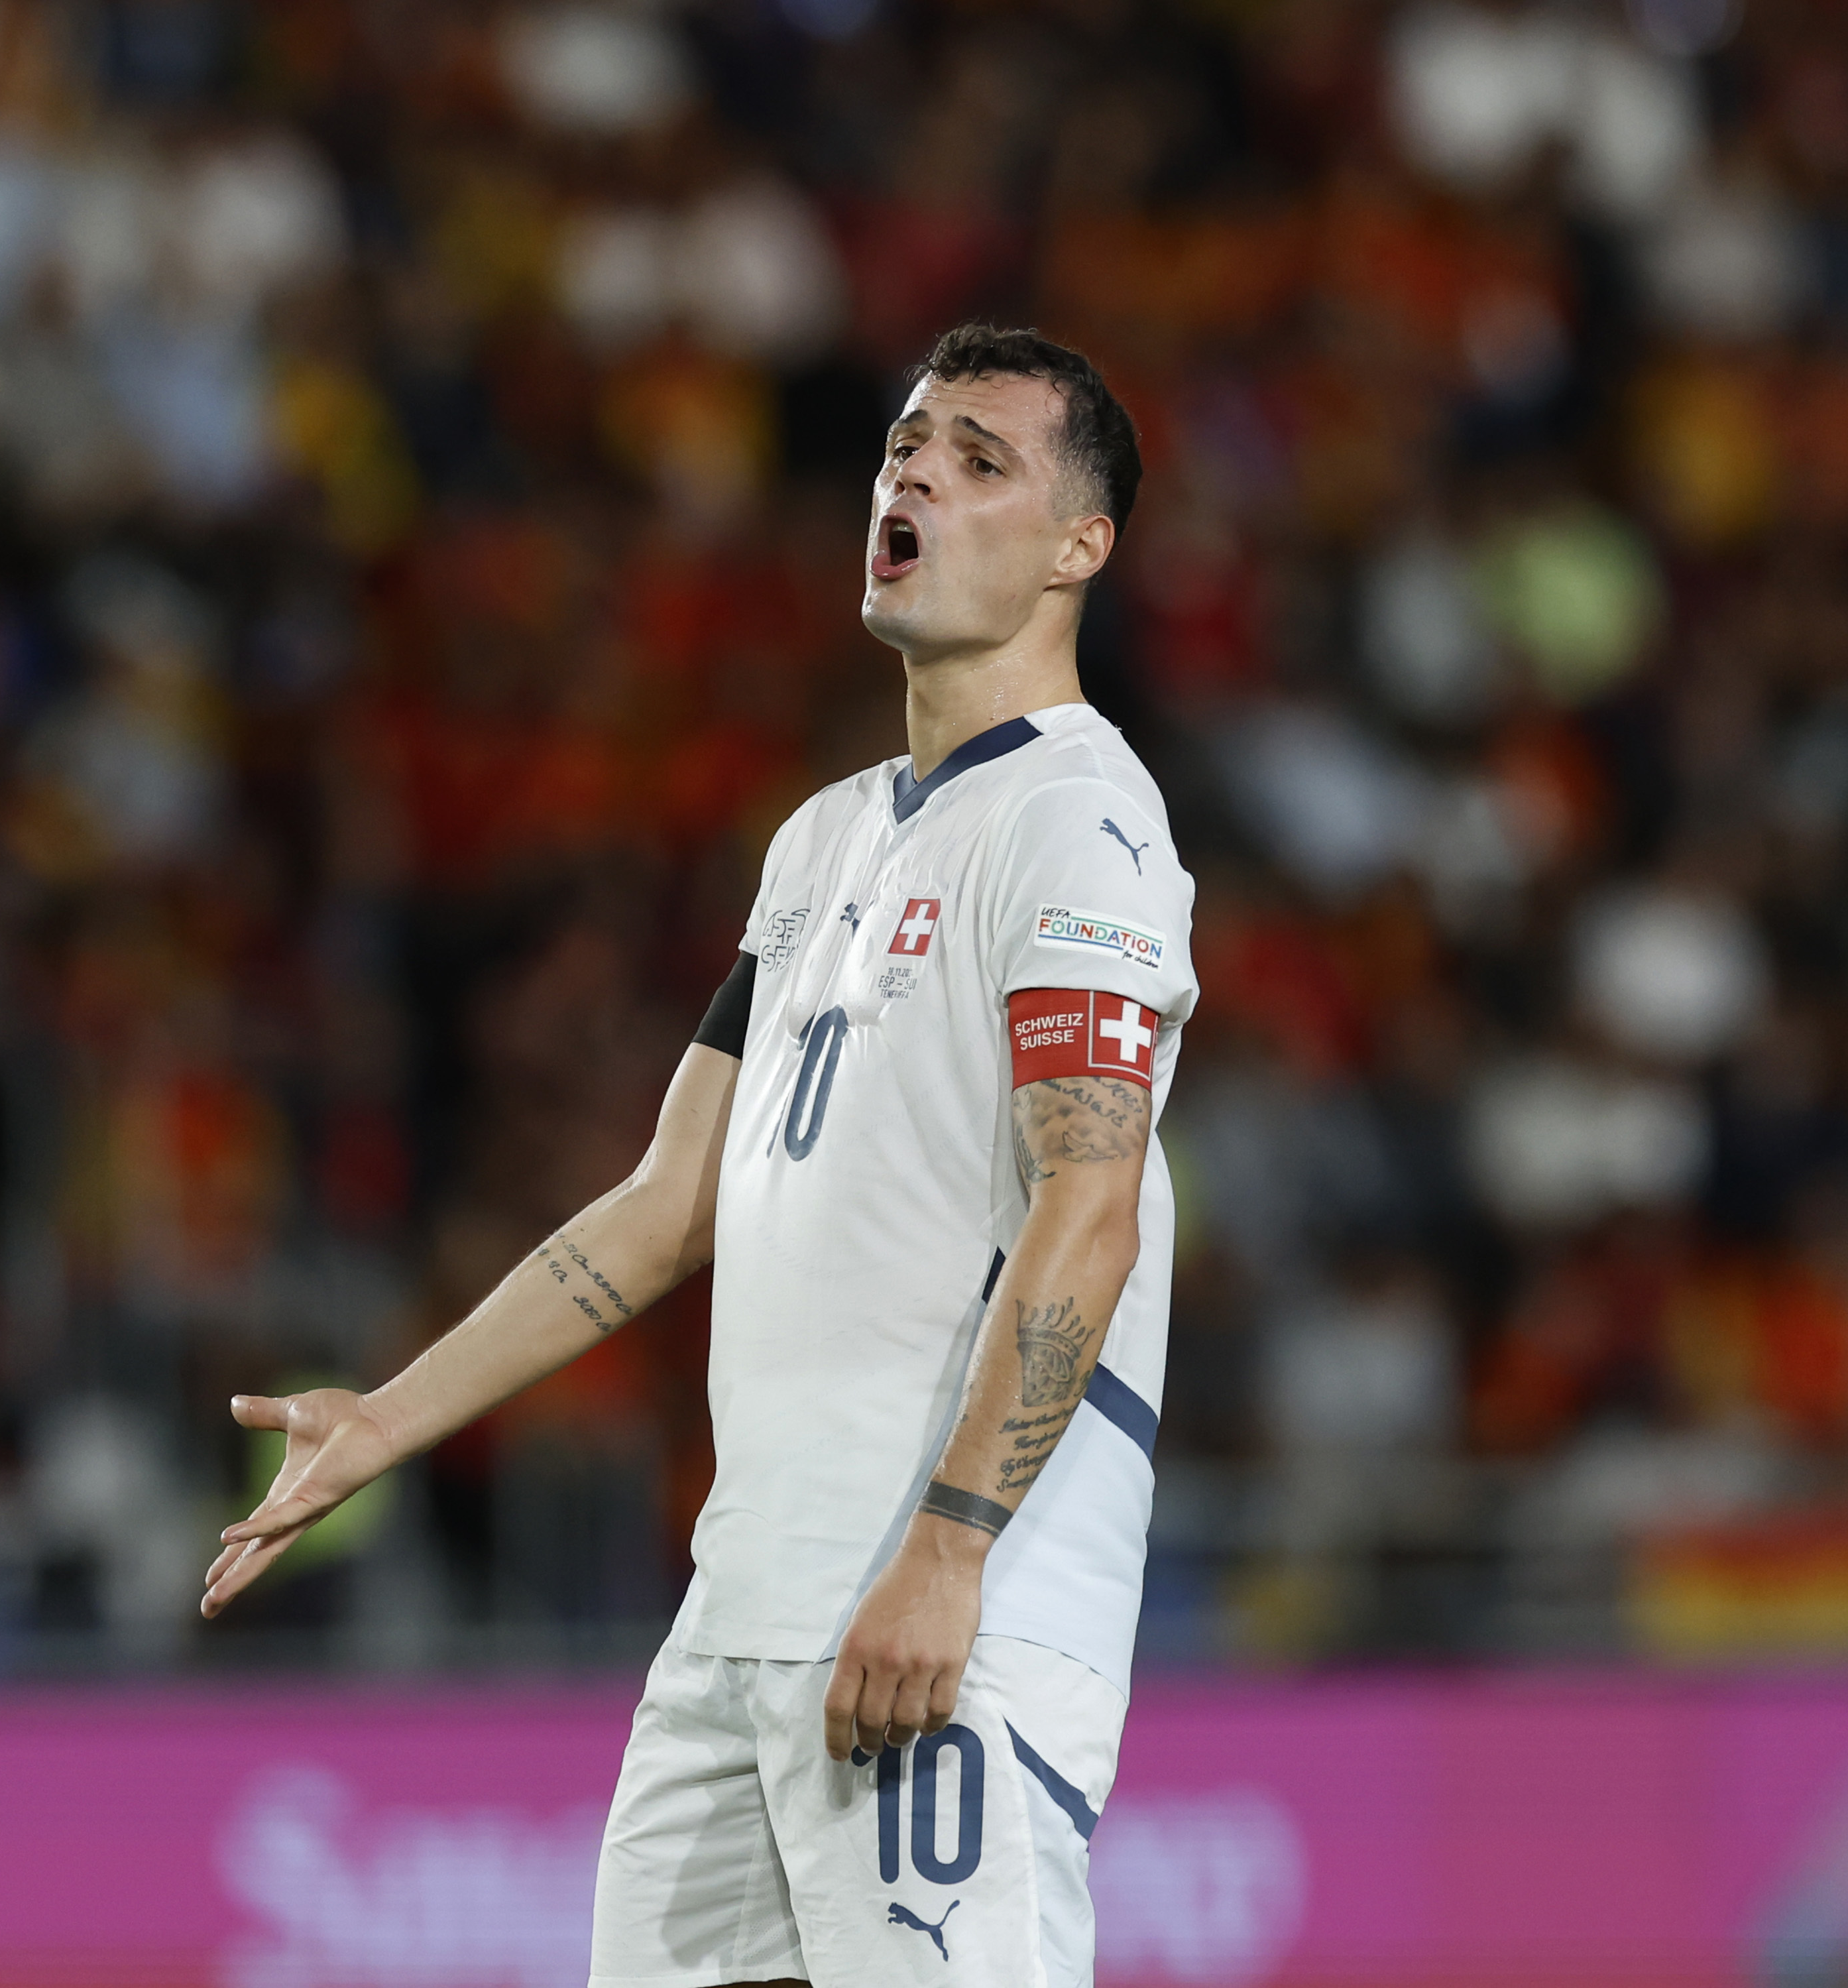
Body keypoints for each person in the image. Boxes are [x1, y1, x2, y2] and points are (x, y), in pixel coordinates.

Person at [203, 322, 1194, 1988]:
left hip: (942, 1615)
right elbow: (669, 1207)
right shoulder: (823, 840)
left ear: (1078, 549)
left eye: (979, 459)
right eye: (906, 445)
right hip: (743, 1615)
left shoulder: (1081, 822)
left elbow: (1089, 1209)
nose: (916, 474)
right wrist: (391, 1415)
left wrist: (949, 1551)